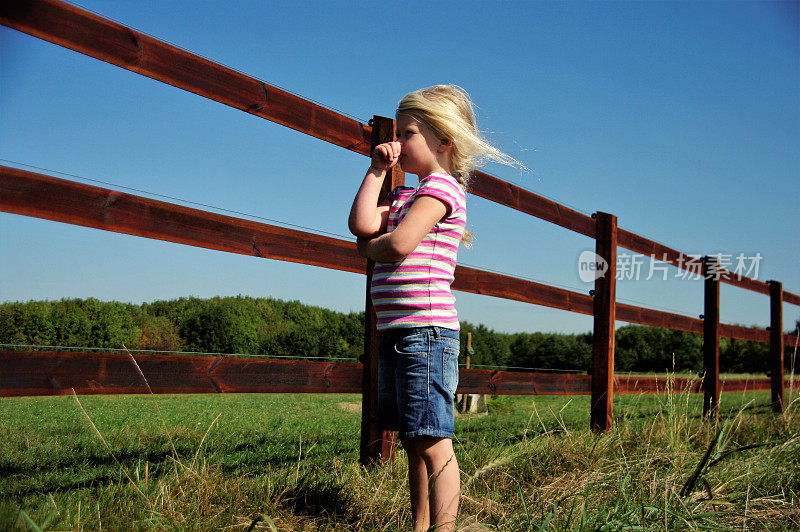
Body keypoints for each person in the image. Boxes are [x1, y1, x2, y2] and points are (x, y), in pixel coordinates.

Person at [348, 85, 520, 532]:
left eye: (407, 134)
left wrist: (368, 250)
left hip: (425, 332)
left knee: (434, 442)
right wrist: (374, 171)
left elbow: (398, 244)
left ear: (443, 141)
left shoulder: (441, 189)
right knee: (413, 439)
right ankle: (419, 526)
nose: (398, 143)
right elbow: (362, 224)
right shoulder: (406, 195)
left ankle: (443, 529)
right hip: (399, 332)